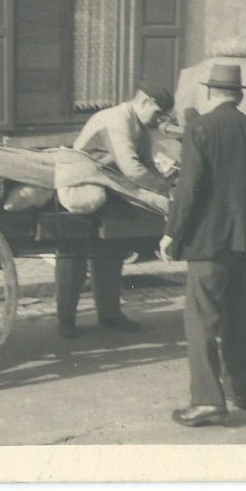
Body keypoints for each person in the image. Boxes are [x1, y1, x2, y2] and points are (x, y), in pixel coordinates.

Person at [159, 64, 246, 427]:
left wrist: (172, 233)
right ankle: (240, 390)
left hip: (209, 245)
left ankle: (207, 401)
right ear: (239, 94)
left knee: (200, 321)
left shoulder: (200, 128)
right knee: (240, 316)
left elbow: (189, 189)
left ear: (211, 93)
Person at [56, 82, 174, 339]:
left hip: (108, 189)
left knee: (111, 252)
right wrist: (164, 189)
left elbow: (146, 165)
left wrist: (165, 184)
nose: (158, 120)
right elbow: (133, 169)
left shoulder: (139, 124)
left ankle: (110, 315)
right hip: (82, 189)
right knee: (74, 254)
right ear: (145, 103)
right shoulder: (117, 119)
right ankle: (65, 320)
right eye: (157, 114)